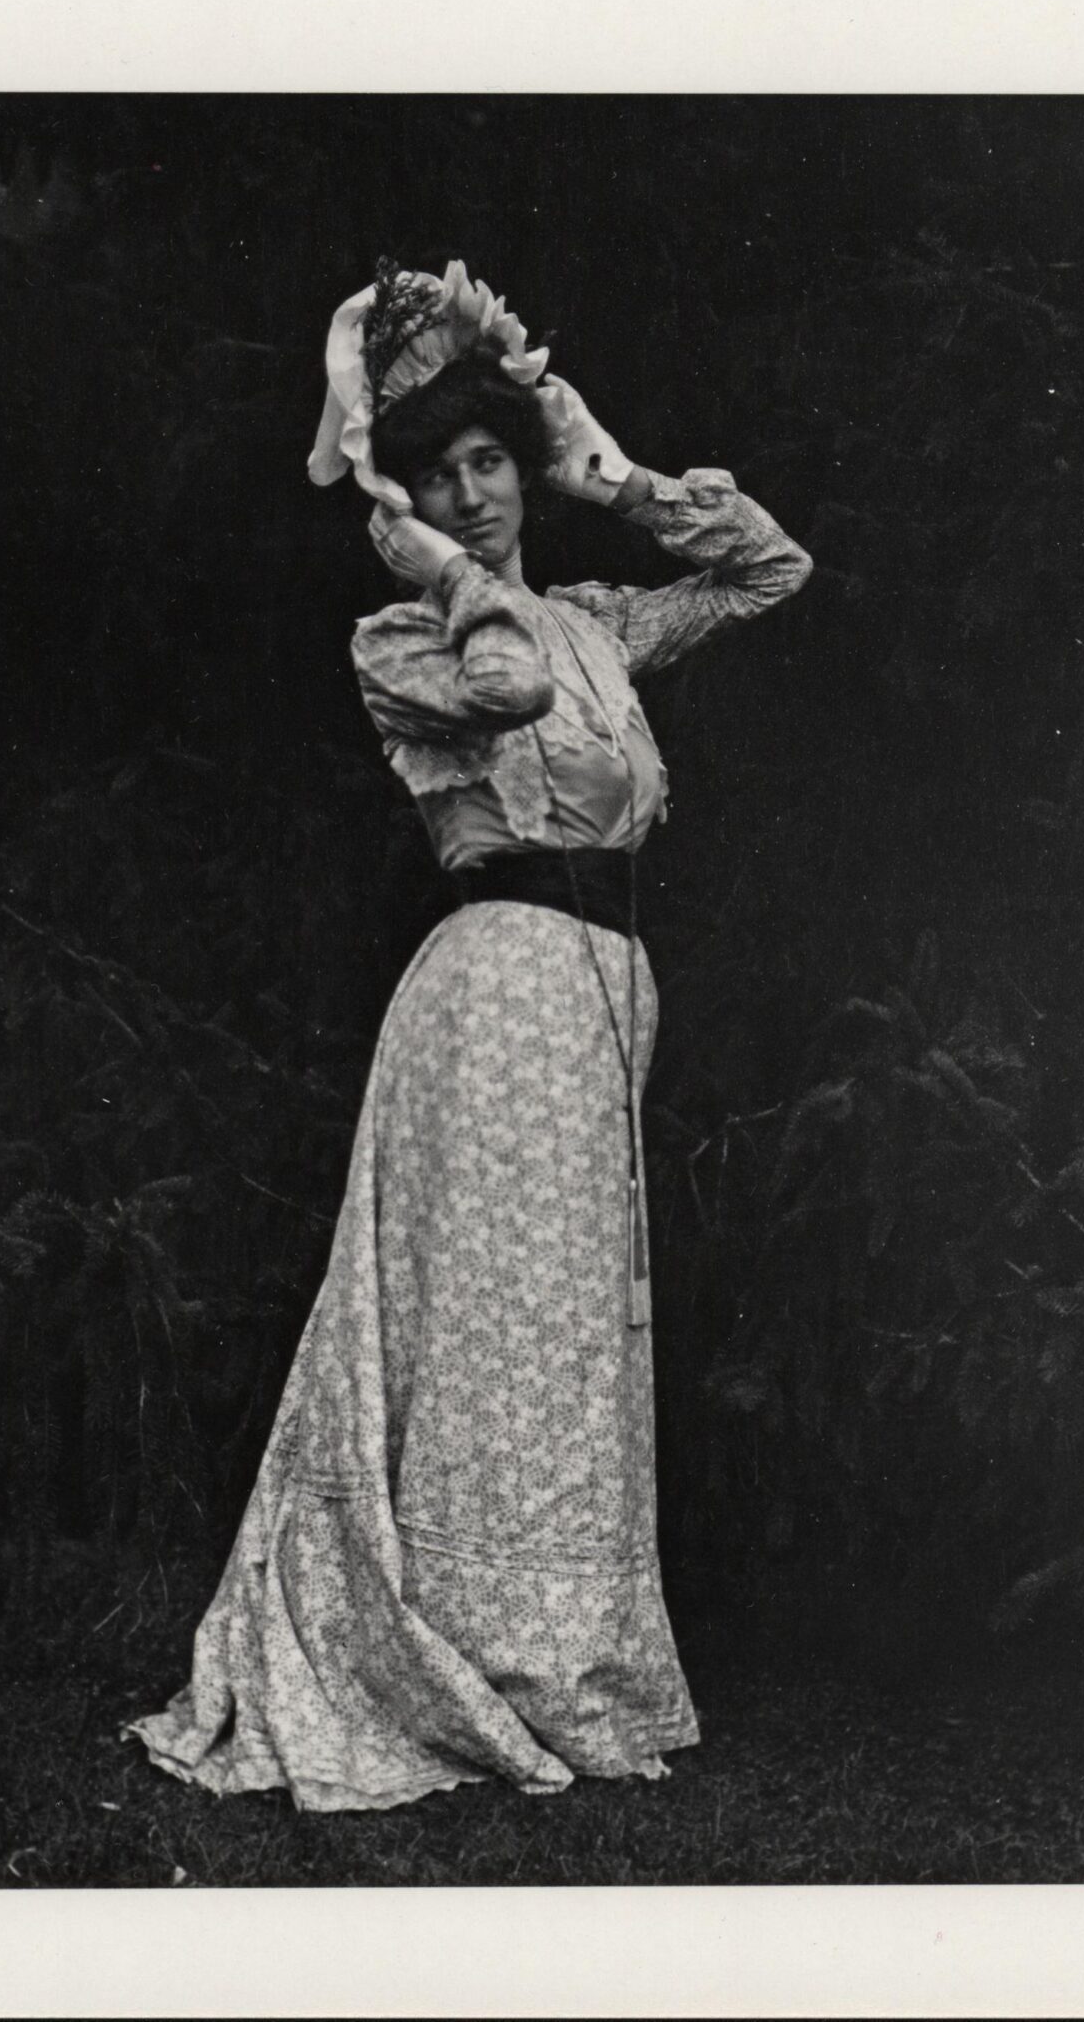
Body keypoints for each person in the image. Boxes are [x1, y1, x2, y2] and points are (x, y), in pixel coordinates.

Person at [128, 260, 811, 1811]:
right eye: (442, 475)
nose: (477, 493)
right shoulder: (408, 638)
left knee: (576, 1337)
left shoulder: (598, 624)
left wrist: (609, 467)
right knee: (500, 1333)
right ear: (410, 502)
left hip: (600, 992)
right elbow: (498, 679)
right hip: (496, 988)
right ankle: (470, 1652)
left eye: (491, 464)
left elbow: (774, 569)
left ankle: (569, 1659)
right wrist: (435, 560)